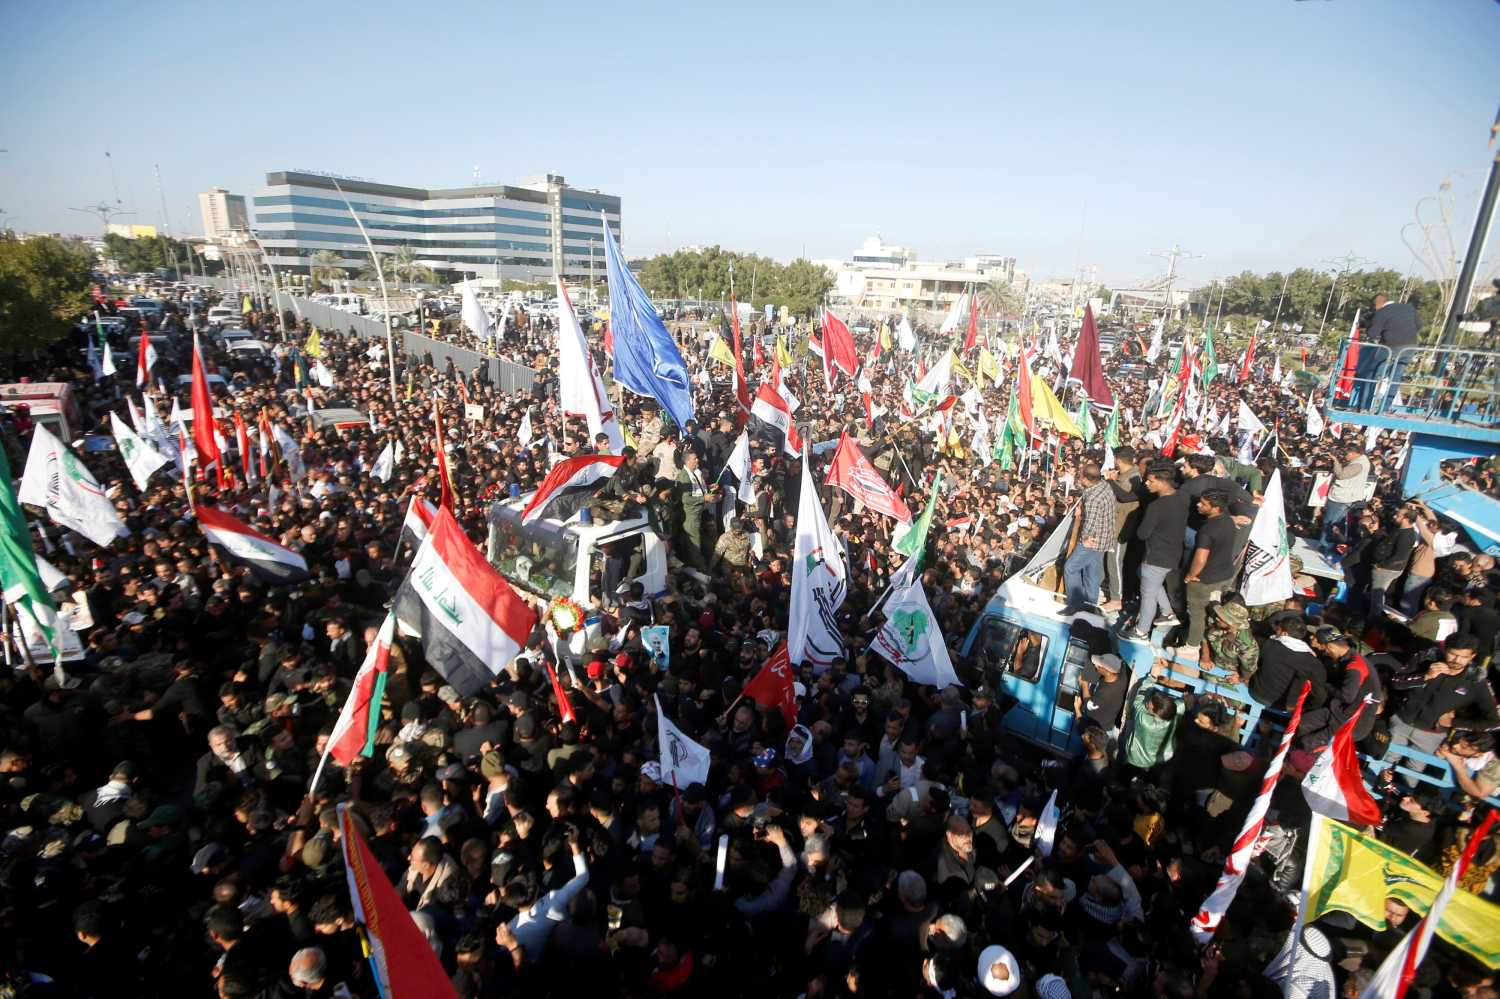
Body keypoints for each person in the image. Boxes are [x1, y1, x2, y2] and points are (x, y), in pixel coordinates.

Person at [1179, 489, 1237, 656]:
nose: (1198, 504)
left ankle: (1192, 645)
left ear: (1216, 507)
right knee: (1215, 609)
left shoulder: (1207, 529)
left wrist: (1191, 575)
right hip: (1224, 575)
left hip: (1205, 579)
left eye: (1203, 503)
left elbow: (1201, 558)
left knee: (1197, 613)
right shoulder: (1228, 521)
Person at [1061, 463, 1115, 614]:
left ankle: (1075, 604)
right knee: (1092, 574)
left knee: (1070, 568)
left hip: (1092, 540)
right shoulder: (1103, 485)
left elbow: (1090, 523)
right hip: (1104, 538)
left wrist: (1083, 540)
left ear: (1085, 479)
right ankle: (1090, 606)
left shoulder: (1093, 498)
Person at [1354, 293, 1420, 410]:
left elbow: (1372, 334)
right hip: (1410, 347)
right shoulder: (1408, 308)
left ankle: (1364, 407)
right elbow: (1419, 325)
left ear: (1376, 305)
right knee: (1395, 378)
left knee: (1371, 375)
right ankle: (1385, 408)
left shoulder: (1381, 312)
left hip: (1391, 347)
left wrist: (1371, 325)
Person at [1320, 442, 1371, 551]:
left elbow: (1341, 475)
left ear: (1353, 453)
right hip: (1345, 497)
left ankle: (1325, 545)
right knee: (1337, 523)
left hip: (1342, 498)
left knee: (1330, 522)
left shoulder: (1358, 464)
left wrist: (1336, 461)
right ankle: (1332, 545)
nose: (1345, 456)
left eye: (1347, 454)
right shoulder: (1359, 461)